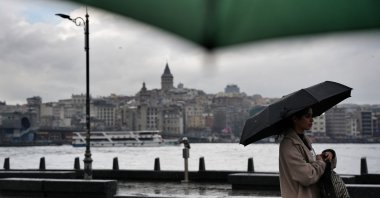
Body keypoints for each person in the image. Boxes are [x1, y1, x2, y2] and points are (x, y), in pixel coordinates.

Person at [279, 107, 336, 198]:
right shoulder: (289, 144)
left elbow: (312, 165)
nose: (312, 120)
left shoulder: (304, 141)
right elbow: (307, 176)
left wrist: (328, 155)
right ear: (295, 119)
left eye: (311, 116)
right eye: (307, 116)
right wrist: (320, 162)